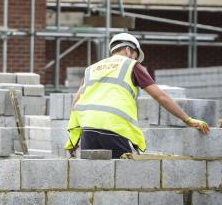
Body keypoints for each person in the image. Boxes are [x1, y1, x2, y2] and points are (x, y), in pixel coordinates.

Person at [65, 32, 210, 158]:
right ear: (128, 50)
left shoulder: (92, 69)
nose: (135, 60)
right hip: (114, 128)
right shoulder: (131, 65)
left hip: (88, 129)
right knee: (125, 178)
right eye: (135, 56)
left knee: (95, 178)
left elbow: (76, 103)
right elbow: (161, 96)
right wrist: (187, 119)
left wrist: (73, 140)